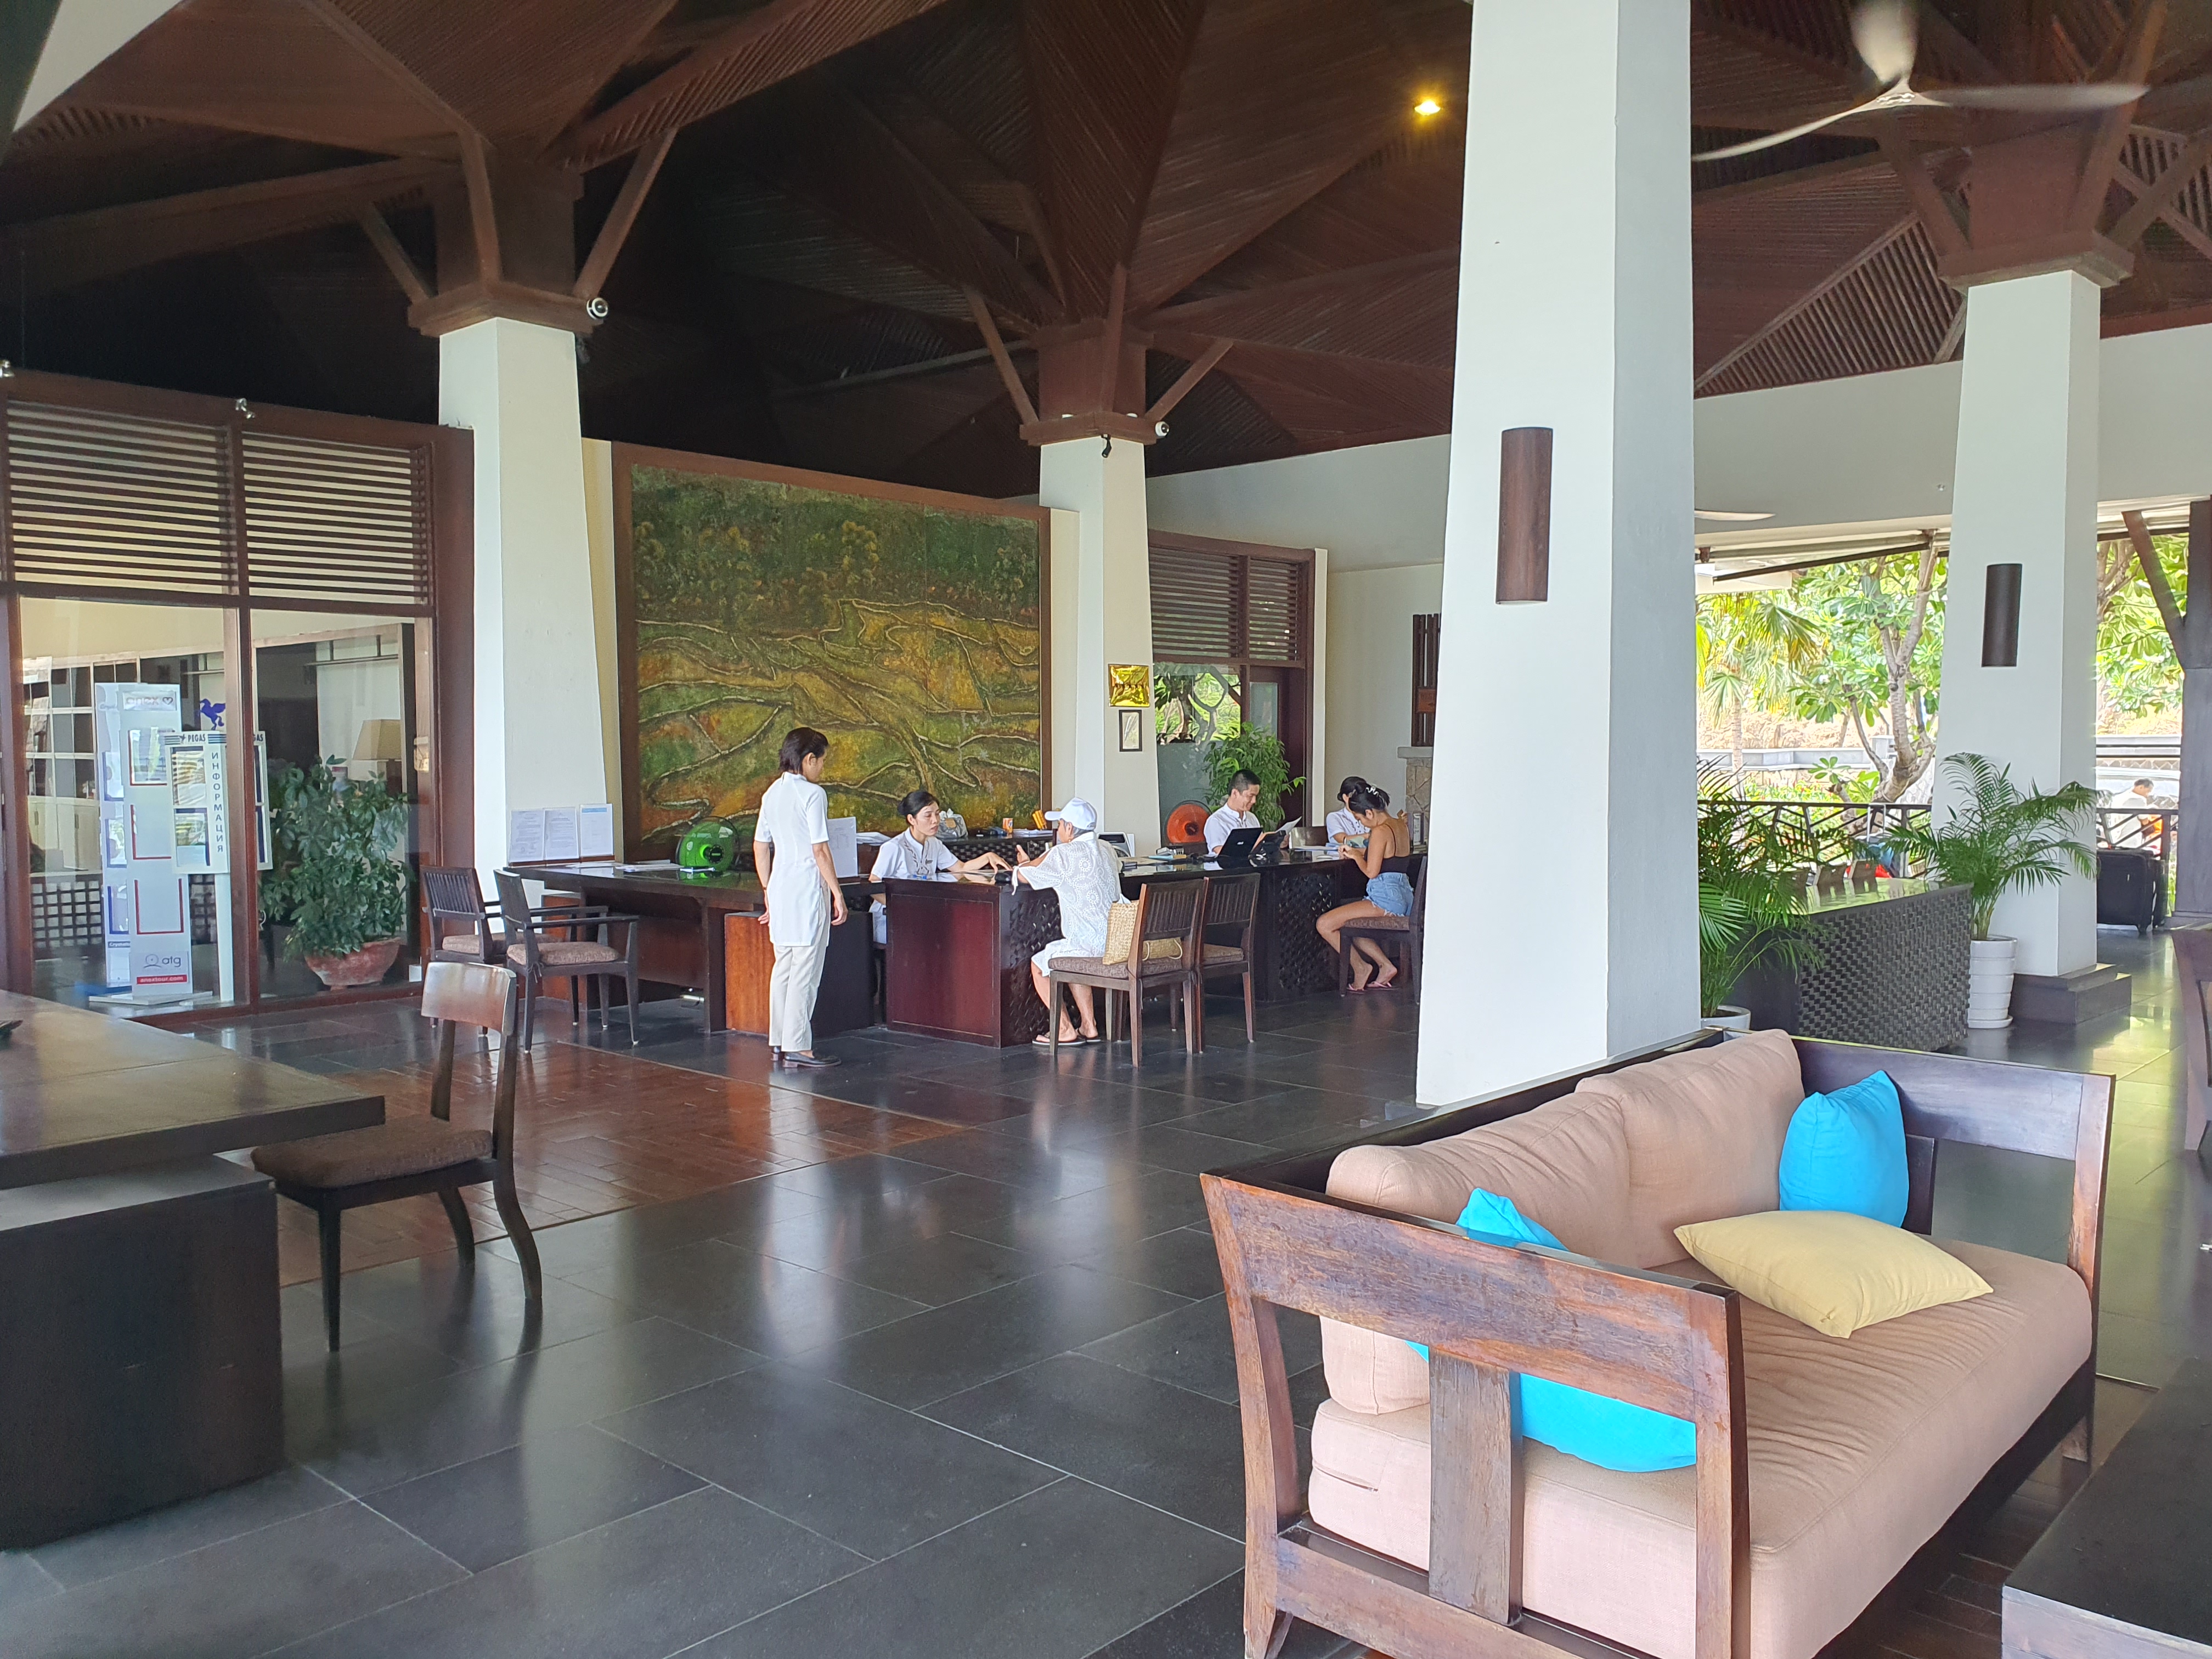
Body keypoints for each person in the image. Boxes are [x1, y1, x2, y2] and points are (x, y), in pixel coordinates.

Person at [752, 727, 847, 1068]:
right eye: (822, 761)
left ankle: (779, 1040)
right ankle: (799, 1046)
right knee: (805, 969)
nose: (822, 768)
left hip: (780, 888)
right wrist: (837, 892)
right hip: (807, 888)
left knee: (784, 967)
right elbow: (820, 850)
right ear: (809, 760)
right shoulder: (813, 794)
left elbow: (760, 847)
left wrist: (767, 890)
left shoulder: (772, 793)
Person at [1013, 797, 1121, 1046]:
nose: (1058, 830)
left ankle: (1064, 1030)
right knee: (1070, 955)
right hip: (1116, 943)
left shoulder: (1063, 853)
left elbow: (1026, 876)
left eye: (1060, 824)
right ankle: (1089, 1026)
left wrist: (1023, 865)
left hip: (1089, 945)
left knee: (1040, 965)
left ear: (1070, 828)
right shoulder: (1107, 849)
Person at [869, 788, 1007, 944]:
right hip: (889, 918)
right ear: (912, 819)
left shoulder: (934, 844)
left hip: (922, 915)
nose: (935, 820)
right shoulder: (894, 847)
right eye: (928, 815)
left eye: (937, 814)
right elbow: (873, 884)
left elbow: (961, 869)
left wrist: (987, 857)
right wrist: (901, 906)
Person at [1316, 785, 1413, 990]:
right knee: (1351, 923)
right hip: (1404, 896)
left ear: (1369, 813)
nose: (1361, 824)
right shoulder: (1400, 826)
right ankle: (1385, 966)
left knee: (1324, 924)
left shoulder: (1380, 831)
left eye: (1360, 819)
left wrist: (1356, 856)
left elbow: (1371, 872)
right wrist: (1357, 852)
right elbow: (1388, 856)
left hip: (1385, 899)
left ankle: (1360, 968)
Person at [1206, 770, 1282, 854]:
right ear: (1235, 793)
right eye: (1250, 796)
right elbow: (1222, 853)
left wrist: (1278, 843)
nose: (1254, 801)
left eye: (1256, 796)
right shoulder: (1216, 821)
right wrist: (1257, 843)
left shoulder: (1252, 818)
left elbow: (1262, 848)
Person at [1325, 776, 1371, 857]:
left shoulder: (1369, 815)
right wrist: (1373, 835)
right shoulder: (1334, 817)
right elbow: (1344, 840)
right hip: (1342, 860)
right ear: (1345, 798)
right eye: (1356, 796)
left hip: (1367, 857)